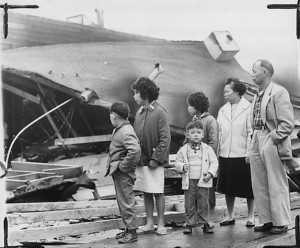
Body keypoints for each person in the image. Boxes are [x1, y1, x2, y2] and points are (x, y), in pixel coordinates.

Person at [250, 59, 294, 234]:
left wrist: (272, 138)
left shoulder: (279, 92)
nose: (252, 74)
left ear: (265, 73)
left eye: (255, 71)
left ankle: (281, 221)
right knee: (259, 182)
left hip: (271, 138)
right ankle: (267, 219)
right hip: (256, 137)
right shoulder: (257, 94)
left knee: (276, 182)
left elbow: (287, 123)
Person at [131, 77, 171, 236]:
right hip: (142, 160)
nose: (134, 96)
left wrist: (156, 158)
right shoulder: (140, 112)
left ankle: (161, 224)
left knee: (158, 191)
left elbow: (165, 138)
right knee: (146, 191)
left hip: (154, 161)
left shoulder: (160, 112)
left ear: (145, 93)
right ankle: (149, 223)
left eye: (136, 93)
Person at [216, 78, 255, 228]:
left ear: (237, 92)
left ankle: (251, 217)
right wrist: (218, 151)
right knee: (227, 186)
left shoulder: (248, 108)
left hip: (242, 154)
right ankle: (230, 215)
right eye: (224, 91)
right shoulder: (222, 109)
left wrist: (249, 152)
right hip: (225, 153)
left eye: (228, 91)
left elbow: (251, 132)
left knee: (248, 187)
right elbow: (219, 132)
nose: (225, 94)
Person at [105, 102, 141, 243]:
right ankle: (128, 229)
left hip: (124, 173)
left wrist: (123, 166)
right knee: (122, 200)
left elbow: (135, 151)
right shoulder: (121, 128)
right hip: (120, 172)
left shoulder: (125, 131)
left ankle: (132, 232)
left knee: (126, 201)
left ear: (114, 116)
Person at [175, 120, 218, 234]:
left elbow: (214, 163)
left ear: (203, 135)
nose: (196, 135)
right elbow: (177, 162)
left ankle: (204, 223)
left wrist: (210, 173)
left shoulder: (208, 149)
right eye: (193, 132)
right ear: (187, 135)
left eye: (198, 132)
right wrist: (182, 166)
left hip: (203, 180)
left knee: (203, 203)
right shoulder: (183, 150)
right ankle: (189, 224)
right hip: (189, 181)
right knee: (189, 203)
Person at [186, 92, 219, 227]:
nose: (188, 108)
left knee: (208, 193)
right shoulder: (194, 121)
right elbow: (186, 141)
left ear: (197, 106)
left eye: (190, 105)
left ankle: (208, 219)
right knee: (193, 194)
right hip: (193, 164)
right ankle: (193, 220)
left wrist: (208, 162)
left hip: (206, 164)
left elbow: (214, 143)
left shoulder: (210, 121)